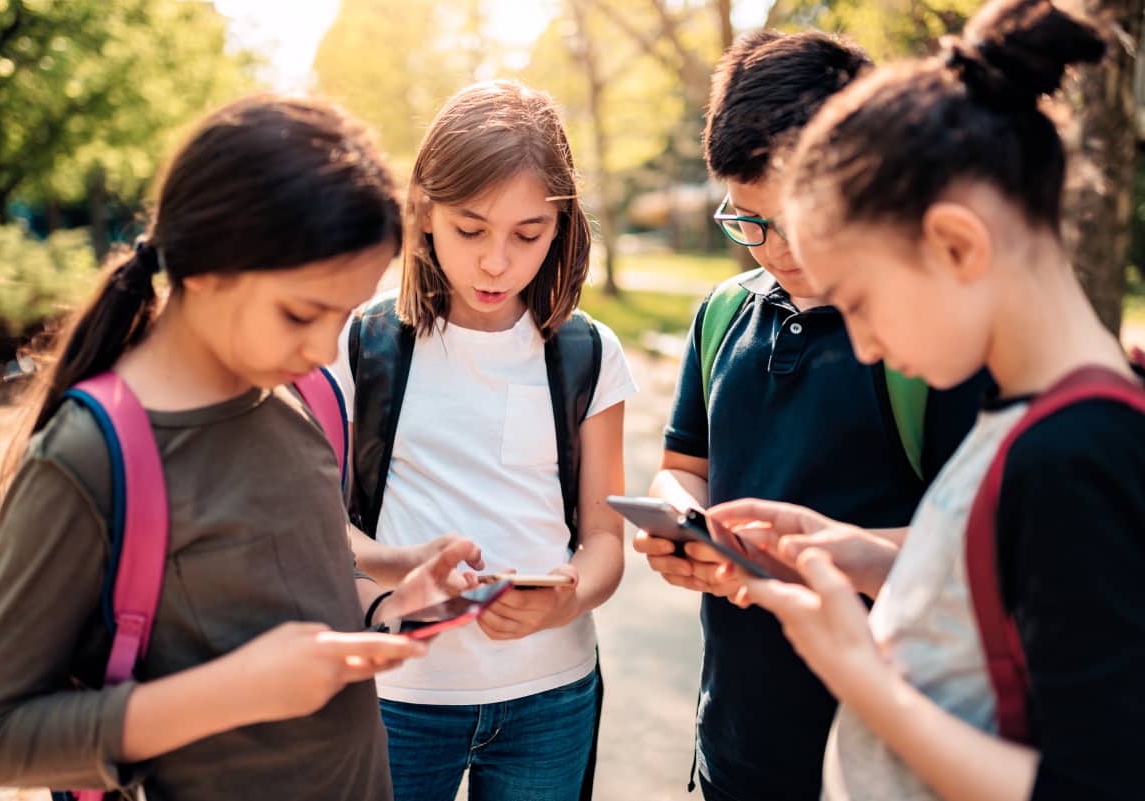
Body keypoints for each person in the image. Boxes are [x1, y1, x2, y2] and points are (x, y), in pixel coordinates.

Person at [0, 94, 482, 801]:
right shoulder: (90, 457)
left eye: (344, 315)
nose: (325, 347)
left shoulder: (303, 395)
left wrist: (388, 605)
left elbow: (290, 593)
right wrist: (233, 691)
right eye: (300, 312)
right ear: (203, 268)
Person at [708, 2, 1145, 799]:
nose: (865, 344)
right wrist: (856, 550)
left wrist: (855, 672)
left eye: (863, 300)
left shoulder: (1076, 454)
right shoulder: (1025, 419)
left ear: (956, 244)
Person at [631, 31, 988, 801]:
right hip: (734, 745)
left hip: (885, 761)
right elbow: (682, 463)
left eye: (799, 221)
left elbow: (980, 548)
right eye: (750, 221)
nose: (779, 251)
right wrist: (680, 521)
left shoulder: (928, 341)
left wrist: (820, 552)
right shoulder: (723, 313)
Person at [333, 80, 636, 801]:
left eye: (528, 234)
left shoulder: (590, 353)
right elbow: (317, 522)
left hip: (552, 697)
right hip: (395, 696)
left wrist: (566, 598)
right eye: (471, 230)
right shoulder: (363, 341)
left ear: (561, 225)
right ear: (424, 212)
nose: (497, 261)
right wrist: (397, 579)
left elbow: (605, 540)